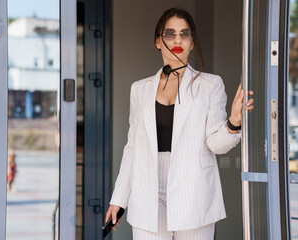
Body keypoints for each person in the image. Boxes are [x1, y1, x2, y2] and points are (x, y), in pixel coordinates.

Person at [105, 7, 254, 240]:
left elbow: (215, 145)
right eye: (170, 33)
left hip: (193, 191)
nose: (177, 39)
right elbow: (132, 148)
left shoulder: (210, 85)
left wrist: (233, 123)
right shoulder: (140, 89)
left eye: (184, 34)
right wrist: (118, 199)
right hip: (147, 192)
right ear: (157, 41)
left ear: (192, 42)